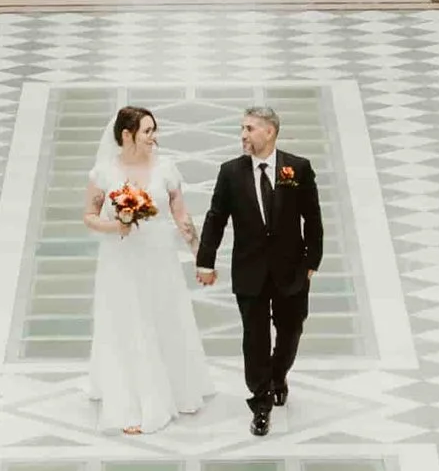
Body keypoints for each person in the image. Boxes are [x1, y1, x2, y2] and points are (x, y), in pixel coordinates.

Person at [194, 103, 325, 435]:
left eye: (249, 129)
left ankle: (278, 374)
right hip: (250, 270)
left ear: (270, 131)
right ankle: (261, 401)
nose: (243, 135)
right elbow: (216, 218)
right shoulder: (231, 172)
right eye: (242, 129)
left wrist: (312, 263)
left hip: (291, 271)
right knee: (254, 339)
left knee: (291, 330)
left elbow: (313, 218)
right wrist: (206, 261)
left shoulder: (298, 168)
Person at [84, 104, 212, 438]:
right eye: (147, 131)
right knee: (129, 321)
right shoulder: (104, 172)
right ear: (127, 135)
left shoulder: (166, 168)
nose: (154, 138)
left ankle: (175, 387)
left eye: (154, 130)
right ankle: (135, 400)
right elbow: (90, 215)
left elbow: (182, 216)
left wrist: (201, 255)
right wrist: (116, 226)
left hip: (158, 256)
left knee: (163, 315)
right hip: (120, 260)